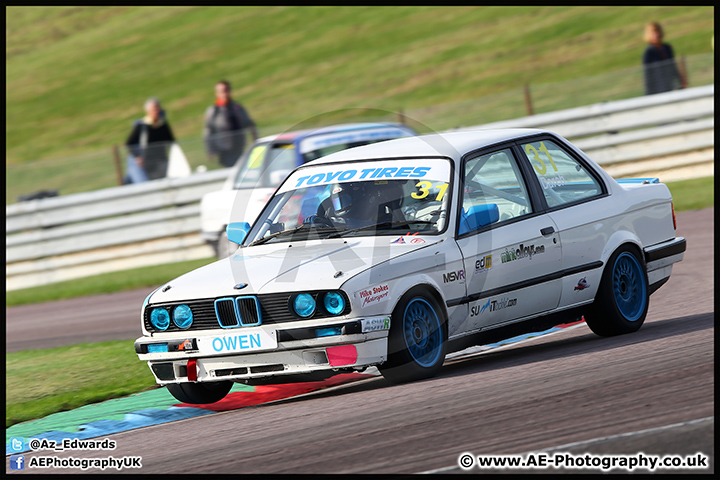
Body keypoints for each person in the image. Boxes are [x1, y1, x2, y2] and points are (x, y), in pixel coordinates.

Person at [203, 80, 259, 168]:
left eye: (226, 90)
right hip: (223, 151)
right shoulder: (213, 111)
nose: (224, 93)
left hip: (239, 148)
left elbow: (249, 124)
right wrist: (210, 150)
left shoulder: (237, 108)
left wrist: (255, 140)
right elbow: (208, 132)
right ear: (217, 93)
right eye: (221, 91)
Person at [125, 98, 175, 181]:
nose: (156, 111)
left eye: (157, 108)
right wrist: (137, 156)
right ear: (148, 111)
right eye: (154, 109)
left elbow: (171, 141)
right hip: (148, 163)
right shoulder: (142, 126)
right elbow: (129, 143)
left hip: (162, 160)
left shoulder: (163, 125)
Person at [642, 22, 687, 95]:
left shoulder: (667, 48)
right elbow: (648, 77)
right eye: (653, 33)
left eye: (657, 32)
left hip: (670, 86)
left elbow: (673, 68)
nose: (656, 35)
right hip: (658, 90)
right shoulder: (649, 53)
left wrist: (681, 82)